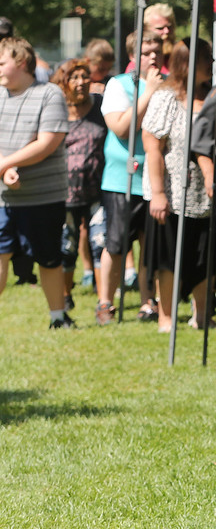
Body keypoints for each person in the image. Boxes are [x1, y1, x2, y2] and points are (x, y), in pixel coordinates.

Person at [143, 41, 216, 332]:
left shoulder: (213, 95)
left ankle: (201, 314)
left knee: (203, 254)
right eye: (206, 58)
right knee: (168, 258)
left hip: (204, 193)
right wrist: (158, 193)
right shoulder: (166, 98)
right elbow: (153, 147)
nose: (211, 62)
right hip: (173, 192)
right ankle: (166, 316)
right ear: (189, 62)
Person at [98, 27, 169, 322]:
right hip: (121, 179)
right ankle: (105, 303)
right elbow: (123, 129)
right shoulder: (118, 85)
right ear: (132, 55)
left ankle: (148, 302)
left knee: (150, 245)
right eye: (146, 52)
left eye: (157, 52)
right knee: (116, 244)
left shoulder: (169, 85)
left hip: (156, 180)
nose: (153, 57)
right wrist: (148, 91)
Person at [0, 38, 71, 325]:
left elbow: (48, 143)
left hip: (43, 196)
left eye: (1, 62)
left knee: (48, 258)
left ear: (21, 62)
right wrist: (5, 171)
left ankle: (58, 317)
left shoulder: (50, 94)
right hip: (3, 196)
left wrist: (6, 164)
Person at [53, 60, 107, 318]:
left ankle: (103, 301)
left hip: (98, 190)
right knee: (68, 246)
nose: (81, 82)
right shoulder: (56, 110)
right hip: (66, 192)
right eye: (74, 77)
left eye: (84, 76)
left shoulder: (99, 105)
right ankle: (64, 297)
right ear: (64, 83)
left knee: (100, 241)